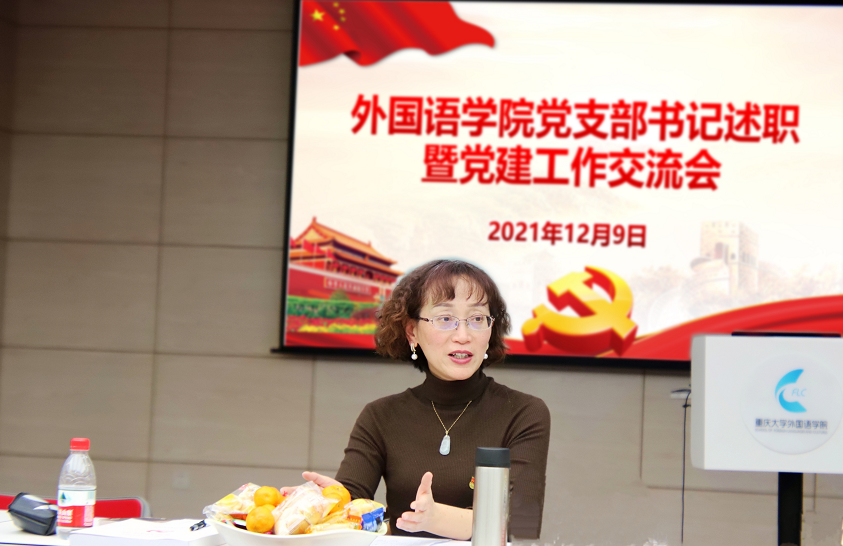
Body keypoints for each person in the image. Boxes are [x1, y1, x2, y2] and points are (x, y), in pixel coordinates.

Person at [289, 259, 551, 540]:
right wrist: (329, 503)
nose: (463, 336)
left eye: (477, 319)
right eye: (445, 319)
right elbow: (352, 511)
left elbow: (521, 523)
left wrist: (436, 519)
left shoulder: (523, 412)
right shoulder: (381, 416)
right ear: (412, 331)